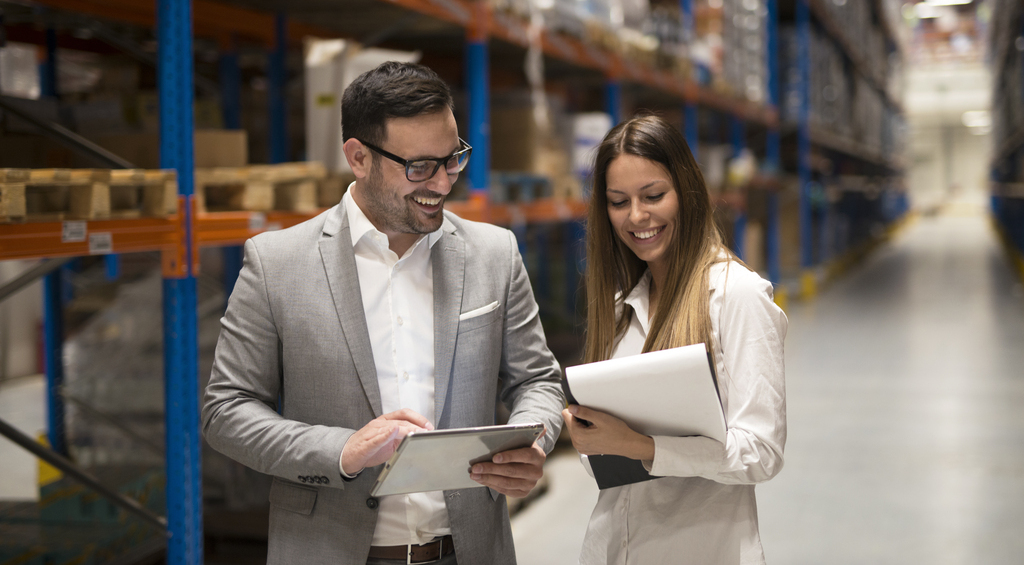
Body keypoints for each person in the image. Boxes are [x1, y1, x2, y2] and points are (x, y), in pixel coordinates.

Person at [202, 61, 565, 565]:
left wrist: (535, 441)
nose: (442, 184)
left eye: (453, 159)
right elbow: (226, 411)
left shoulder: (493, 253)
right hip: (330, 551)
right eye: (419, 167)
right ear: (358, 158)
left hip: (468, 550)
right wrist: (342, 451)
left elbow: (538, 380)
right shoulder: (277, 263)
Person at [561, 114, 787, 564]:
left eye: (653, 196)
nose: (637, 216)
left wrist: (639, 446)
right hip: (614, 547)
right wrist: (590, 438)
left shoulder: (736, 297)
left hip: (701, 548)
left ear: (687, 191)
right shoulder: (622, 305)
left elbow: (761, 453)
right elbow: (603, 461)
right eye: (618, 201)